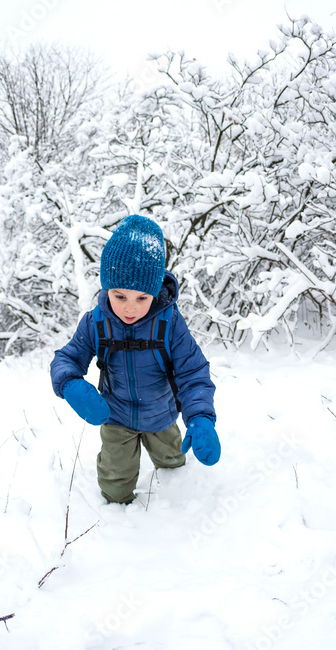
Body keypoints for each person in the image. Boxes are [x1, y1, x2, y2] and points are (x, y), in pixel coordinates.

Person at [50, 215, 219, 504]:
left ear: (154, 291)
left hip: (162, 415)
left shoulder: (170, 324)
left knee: (173, 464)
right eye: (119, 296)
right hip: (115, 417)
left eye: (142, 298)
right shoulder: (95, 323)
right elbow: (67, 358)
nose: (130, 309)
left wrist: (201, 416)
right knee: (114, 488)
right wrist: (68, 383)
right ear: (106, 288)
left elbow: (193, 373)